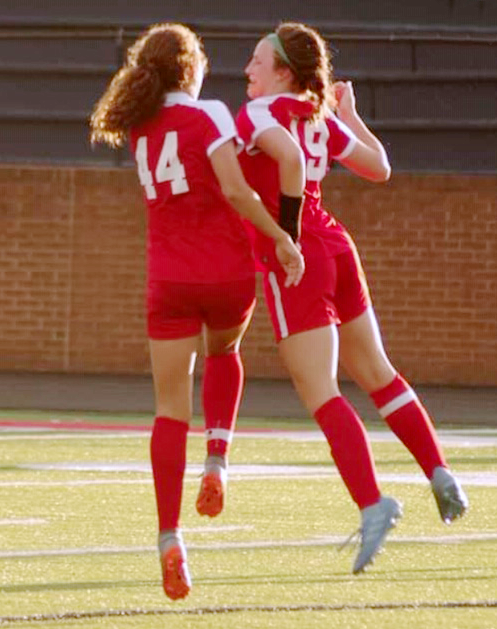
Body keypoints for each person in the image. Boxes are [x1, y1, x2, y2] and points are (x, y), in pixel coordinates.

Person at [236, 22, 469, 574]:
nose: (247, 71)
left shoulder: (259, 114)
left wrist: (285, 237)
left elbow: (286, 161)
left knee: (320, 390)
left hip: (298, 254)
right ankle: (439, 471)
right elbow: (379, 167)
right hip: (338, 245)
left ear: (284, 72)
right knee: (378, 373)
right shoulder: (316, 115)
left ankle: (373, 504)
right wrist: (350, 113)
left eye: (257, 62)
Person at [90, 22, 305, 601]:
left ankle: (167, 538)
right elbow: (237, 192)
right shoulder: (208, 113)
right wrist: (282, 237)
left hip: (168, 280)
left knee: (167, 410)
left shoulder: (137, 124)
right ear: (189, 66)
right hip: (225, 272)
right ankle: (217, 461)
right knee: (226, 350)